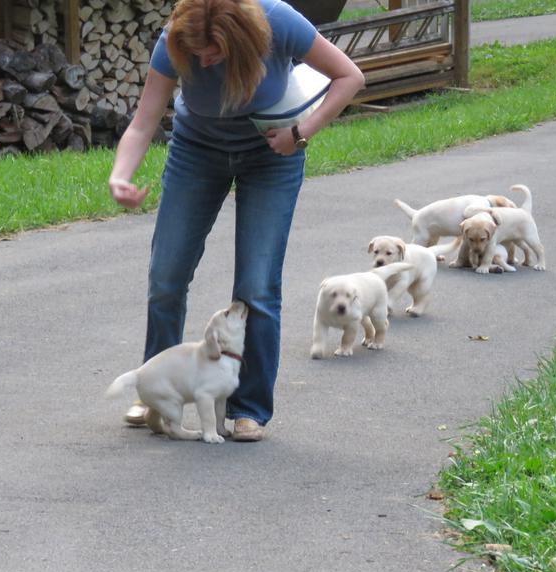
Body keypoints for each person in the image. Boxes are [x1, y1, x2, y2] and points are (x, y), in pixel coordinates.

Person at [108, 0, 364, 441]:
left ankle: (248, 409)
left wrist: (301, 134)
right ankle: (156, 393)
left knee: (257, 285)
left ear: (242, 39)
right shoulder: (175, 40)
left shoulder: (278, 21)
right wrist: (120, 176)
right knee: (166, 275)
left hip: (273, 156)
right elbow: (144, 121)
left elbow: (350, 76)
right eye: (197, 55)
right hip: (196, 153)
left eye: (214, 53)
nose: (203, 62)